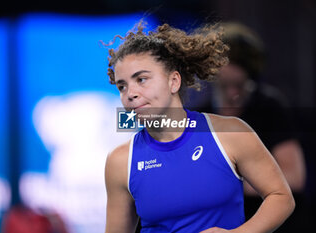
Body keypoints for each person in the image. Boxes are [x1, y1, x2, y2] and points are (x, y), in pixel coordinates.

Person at [104, 21, 295, 233]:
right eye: (122, 86)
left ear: (174, 81)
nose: (130, 93)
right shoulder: (120, 162)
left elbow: (281, 196)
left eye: (141, 79)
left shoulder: (230, 133)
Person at [188, 22, 307, 232]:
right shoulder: (200, 115)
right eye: (227, 87)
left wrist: (229, 184)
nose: (234, 94)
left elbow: (294, 178)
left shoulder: (270, 106)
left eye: (239, 85)